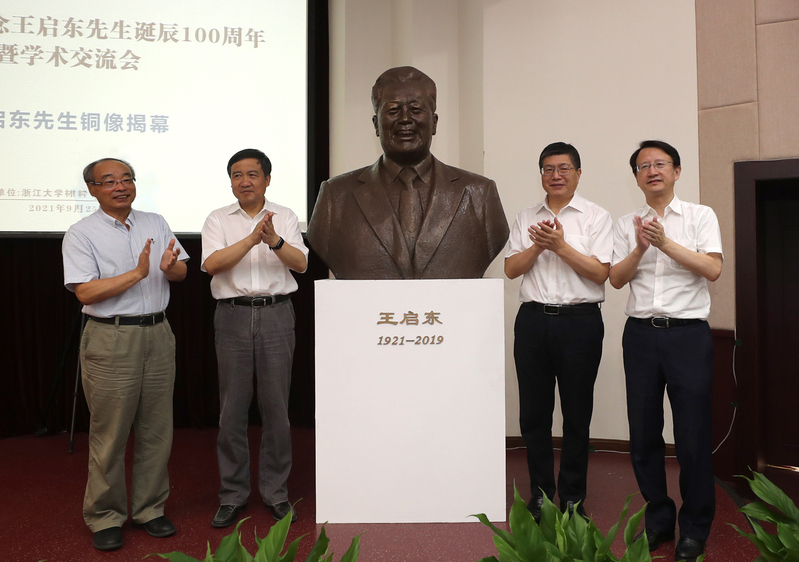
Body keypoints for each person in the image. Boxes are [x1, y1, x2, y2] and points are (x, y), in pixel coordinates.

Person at [62, 157, 188, 551]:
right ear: (92, 189)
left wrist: (169, 268)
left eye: (127, 179)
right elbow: (85, 291)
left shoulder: (155, 222)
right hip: (111, 338)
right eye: (110, 181)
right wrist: (136, 274)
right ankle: (105, 516)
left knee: (157, 430)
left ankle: (150, 509)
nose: (121, 186)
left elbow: (181, 272)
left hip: (158, 334)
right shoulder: (81, 233)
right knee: (111, 434)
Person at [609, 140, 722, 561]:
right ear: (636, 177)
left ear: (677, 171)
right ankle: (658, 518)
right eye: (644, 166)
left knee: (692, 436)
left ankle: (694, 528)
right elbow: (616, 279)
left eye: (660, 164)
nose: (652, 170)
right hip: (640, 336)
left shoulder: (700, 216)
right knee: (643, 434)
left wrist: (664, 243)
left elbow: (713, 268)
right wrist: (640, 246)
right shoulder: (627, 223)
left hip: (687, 336)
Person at [306, 66, 508, 279]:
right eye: (393, 110)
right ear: (376, 124)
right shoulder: (335, 196)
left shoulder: (479, 195)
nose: (405, 119)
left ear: (434, 123)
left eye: (416, 109)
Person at [201, 148, 308, 529]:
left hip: (277, 313)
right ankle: (232, 495)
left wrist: (274, 240)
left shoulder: (286, 216)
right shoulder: (218, 218)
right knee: (232, 410)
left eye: (252, 174)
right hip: (233, 316)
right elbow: (211, 265)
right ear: (230, 181)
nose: (244, 181)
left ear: (267, 179)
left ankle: (276, 493)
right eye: (237, 175)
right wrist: (251, 240)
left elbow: (301, 264)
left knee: (277, 409)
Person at [505, 142, 612, 522]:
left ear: (578, 173)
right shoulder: (526, 217)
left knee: (576, 414)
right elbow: (511, 269)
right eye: (548, 169)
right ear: (541, 175)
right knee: (534, 415)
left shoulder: (596, 217)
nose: (556, 176)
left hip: (580, 323)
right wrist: (538, 247)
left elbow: (601, 273)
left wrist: (561, 246)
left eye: (564, 168)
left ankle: (572, 498)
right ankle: (539, 495)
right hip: (533, 321)